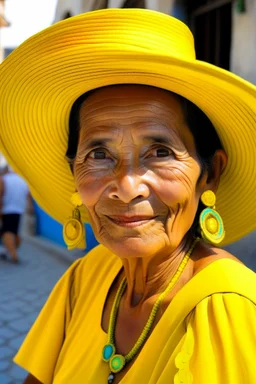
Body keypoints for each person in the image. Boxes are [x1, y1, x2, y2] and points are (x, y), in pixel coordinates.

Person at [0, 8, 256, 384]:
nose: (126, 186)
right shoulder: (85, 277)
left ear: (210, 173)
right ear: (74, 172)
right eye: (99, 155)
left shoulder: (226, 306)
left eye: (161, 152)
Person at [0, 166, 30, 263]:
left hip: (6, 209)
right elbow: (28, 195)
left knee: (7, 232)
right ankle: (7, 250)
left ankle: (13, 255)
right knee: (13, 231)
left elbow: (0, 194)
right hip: (19, 209)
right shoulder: (23, 181)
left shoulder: (4, 179)